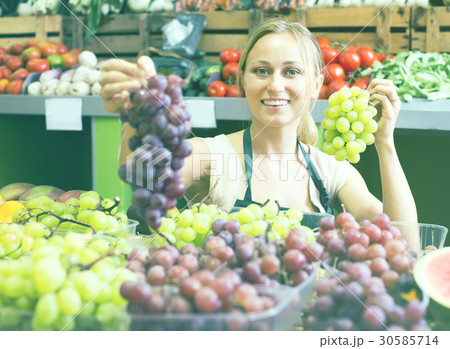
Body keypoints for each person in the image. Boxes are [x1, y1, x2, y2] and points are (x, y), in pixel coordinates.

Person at [99, 19, 418, 247]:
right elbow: (141, 173)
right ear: (243, 80)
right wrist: (137, 113)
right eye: (261, 70)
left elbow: (405, 243)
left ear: (316, 85)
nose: (275, 85)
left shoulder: (331, 170)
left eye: (291, 71)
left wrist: (385, 143)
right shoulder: (213, 155)